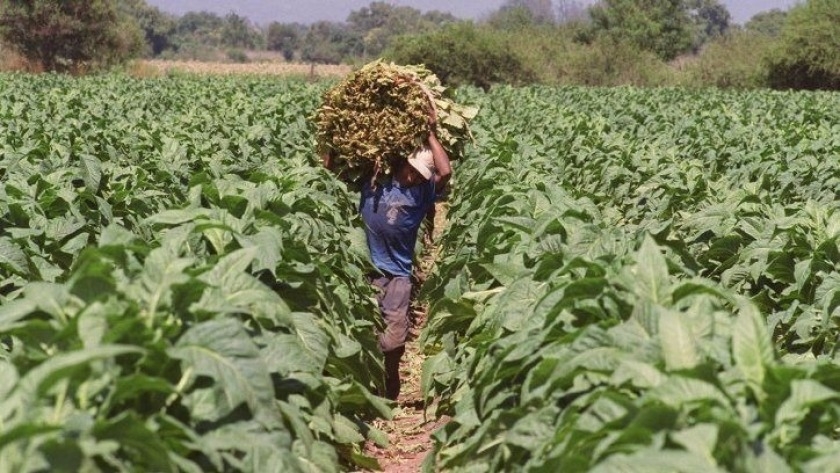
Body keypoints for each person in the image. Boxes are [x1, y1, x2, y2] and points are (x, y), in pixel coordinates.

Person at [323, 112, 451, 401]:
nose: (415, 177)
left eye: (420, 176)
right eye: (413, 171)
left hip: (397, 276)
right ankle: (368, 393)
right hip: (364, 272)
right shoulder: (375, 178)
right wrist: (332, 138)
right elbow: (329, 172)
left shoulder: (421, 195)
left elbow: (445, 173)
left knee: (393, 344)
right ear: (403, 162)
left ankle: (389, 392)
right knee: (363, 335)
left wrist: (430, 133)